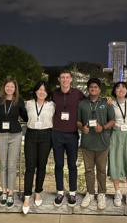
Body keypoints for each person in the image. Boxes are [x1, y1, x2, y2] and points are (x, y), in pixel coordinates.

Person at [77, 78, 115, 210]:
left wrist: (103, 127)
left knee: (101, 170)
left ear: (99, 89)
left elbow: (113, 121)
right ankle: (90, 193)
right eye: (91, 87)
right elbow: (78, 121)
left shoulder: (106, 103)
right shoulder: (82, 104)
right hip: (87, 143)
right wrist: (83, 128)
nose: (93, 89)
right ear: (88, 89)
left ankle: (102, 193)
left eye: (95, 87)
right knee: (88, 170)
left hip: (102, 142)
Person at [51, 70, 86, 207]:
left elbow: (90, 103)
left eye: (67, 77)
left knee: (72, 165)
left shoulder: (78, 94)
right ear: (59, 79)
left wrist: (107, 100)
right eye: (62, 78)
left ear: (71, 79)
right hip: (57, 133)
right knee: (58, 165)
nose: (65, 80)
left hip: (72, 133)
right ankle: (60, 191)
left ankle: (72, 193)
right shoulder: (53, 94)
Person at [22, 80, 55, 214]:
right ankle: (27, 196)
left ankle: (38, 192)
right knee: (30, 167)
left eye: (44, 90)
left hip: (46, 135)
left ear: (47, 92)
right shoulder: (28, 104)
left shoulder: (53, 105)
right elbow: (23, 117)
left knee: (42, 165)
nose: (42, 92)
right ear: (35, 91)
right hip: (31, 135)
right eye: (39, 89)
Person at [0, 77, 28, 209]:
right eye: (7, 86)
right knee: (3, 165)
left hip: (15, 135)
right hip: (1, 135)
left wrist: (25, 108)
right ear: (4, 87)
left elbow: (25, 118)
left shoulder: (19, 101)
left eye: (12, 87)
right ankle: (3, 191)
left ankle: (11, 193)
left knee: (12, 166)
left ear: (15, 89)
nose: (9, 89)